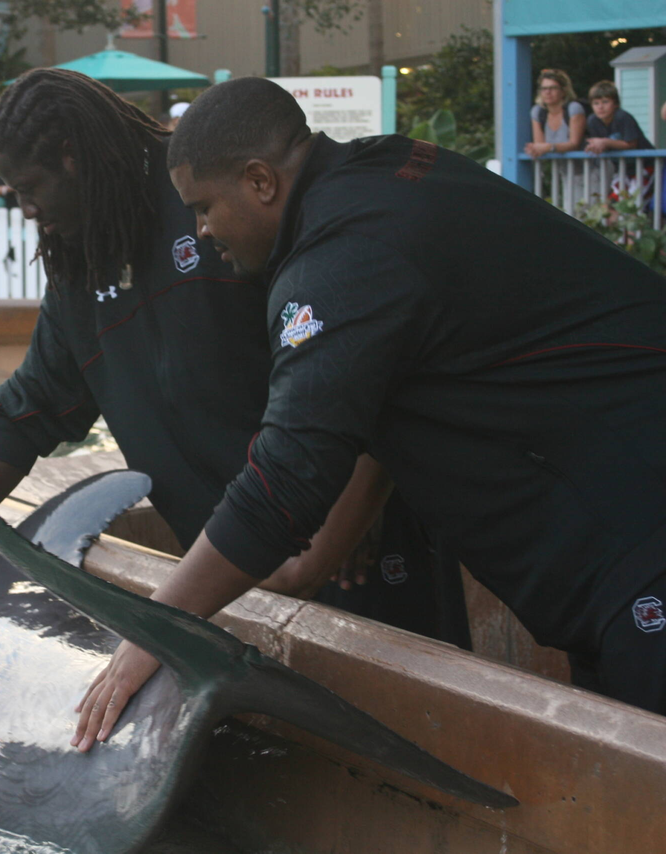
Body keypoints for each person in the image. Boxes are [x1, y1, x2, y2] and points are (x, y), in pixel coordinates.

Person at [67, 75, 666, 739]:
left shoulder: (340, 259)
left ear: (260, 181)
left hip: (637, 540)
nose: (201, 230)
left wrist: (154, 631)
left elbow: (286, 478)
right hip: (613, 553)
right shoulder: (387, 170)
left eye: (205, 207)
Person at [0, 70, 466, 703]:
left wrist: (337, 531)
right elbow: (29, 406)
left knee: (410, 724)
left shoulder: (215, 191)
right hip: (232, 568)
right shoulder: (81, 260)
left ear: (72, 158)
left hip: (352, 547)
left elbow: (368, 367)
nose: (26, 209)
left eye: (31, 188)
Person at [525, 69, 585, 157]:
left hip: (584, 164)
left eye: (553, 88)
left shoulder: (573, 108)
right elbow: (540, 146)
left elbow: (574, 144)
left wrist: (551, 147)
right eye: (544, 88)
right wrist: (533, 149)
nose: (547, 92)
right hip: (556, 165)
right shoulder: (538, 112)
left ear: (563, 91)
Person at [584, 81, 648, 153]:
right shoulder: (592, 120)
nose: (600, 107)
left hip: (646, 158)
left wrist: (606, 142)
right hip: (618, 160)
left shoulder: (622, 117)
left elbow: (632, 144)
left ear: (616, 103)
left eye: (605, 102)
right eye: (596, 103)